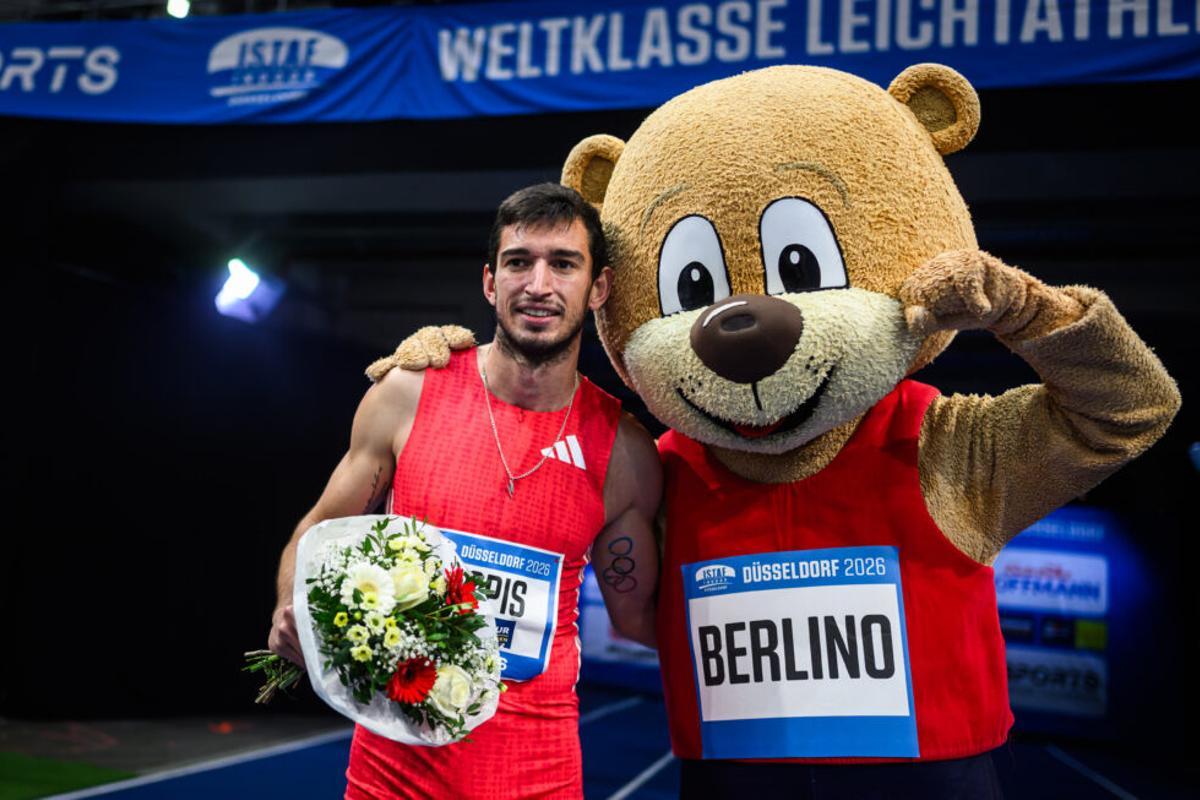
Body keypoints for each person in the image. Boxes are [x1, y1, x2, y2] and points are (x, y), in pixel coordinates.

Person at [267, 182, 662, 799]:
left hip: (541, 778)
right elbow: (319, 528)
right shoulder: (409, 392)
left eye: (563, 264)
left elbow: (641, 618)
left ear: (599, 288)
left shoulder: (626, 452)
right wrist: (289, 611)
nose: (538, 284)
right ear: (489, 281)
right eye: (518, 262)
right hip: (389, 777)